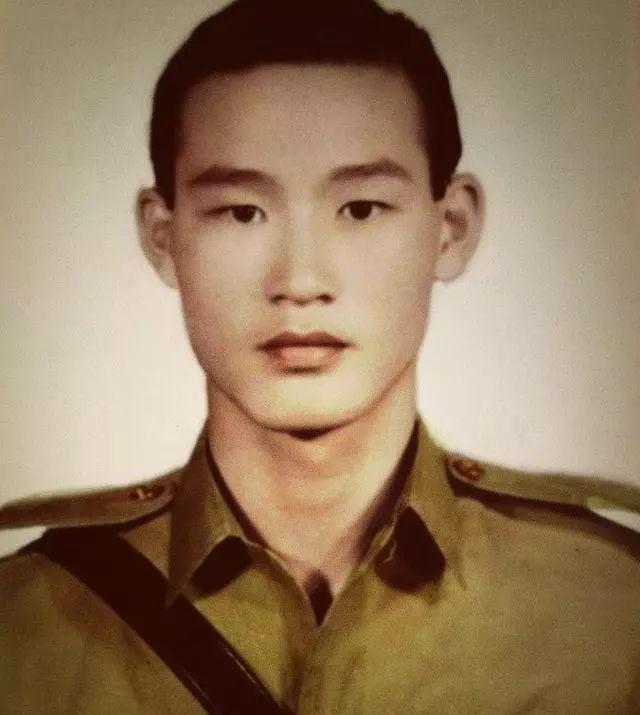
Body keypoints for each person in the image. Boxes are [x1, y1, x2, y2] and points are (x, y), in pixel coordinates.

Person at [1, 1, 639, 713]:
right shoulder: (22, 627)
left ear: (451, 228)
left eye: (361, 208)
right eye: (242, 211)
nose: (300, 280)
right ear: (163, 237)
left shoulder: (614, 609)